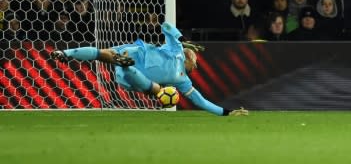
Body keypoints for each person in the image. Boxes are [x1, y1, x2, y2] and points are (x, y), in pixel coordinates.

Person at [51, 22, 248, 116]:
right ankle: (65, 54)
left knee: (154, 89)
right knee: (102, 54)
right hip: (136, 53)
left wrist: (226, 112)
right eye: (195, 63)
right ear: (189, 56)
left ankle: (126, 66)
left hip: (131, 77)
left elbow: (201, 101)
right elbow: (166, 26)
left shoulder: (182, 81)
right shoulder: (177, 48)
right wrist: (182, 39)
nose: (195, 66)